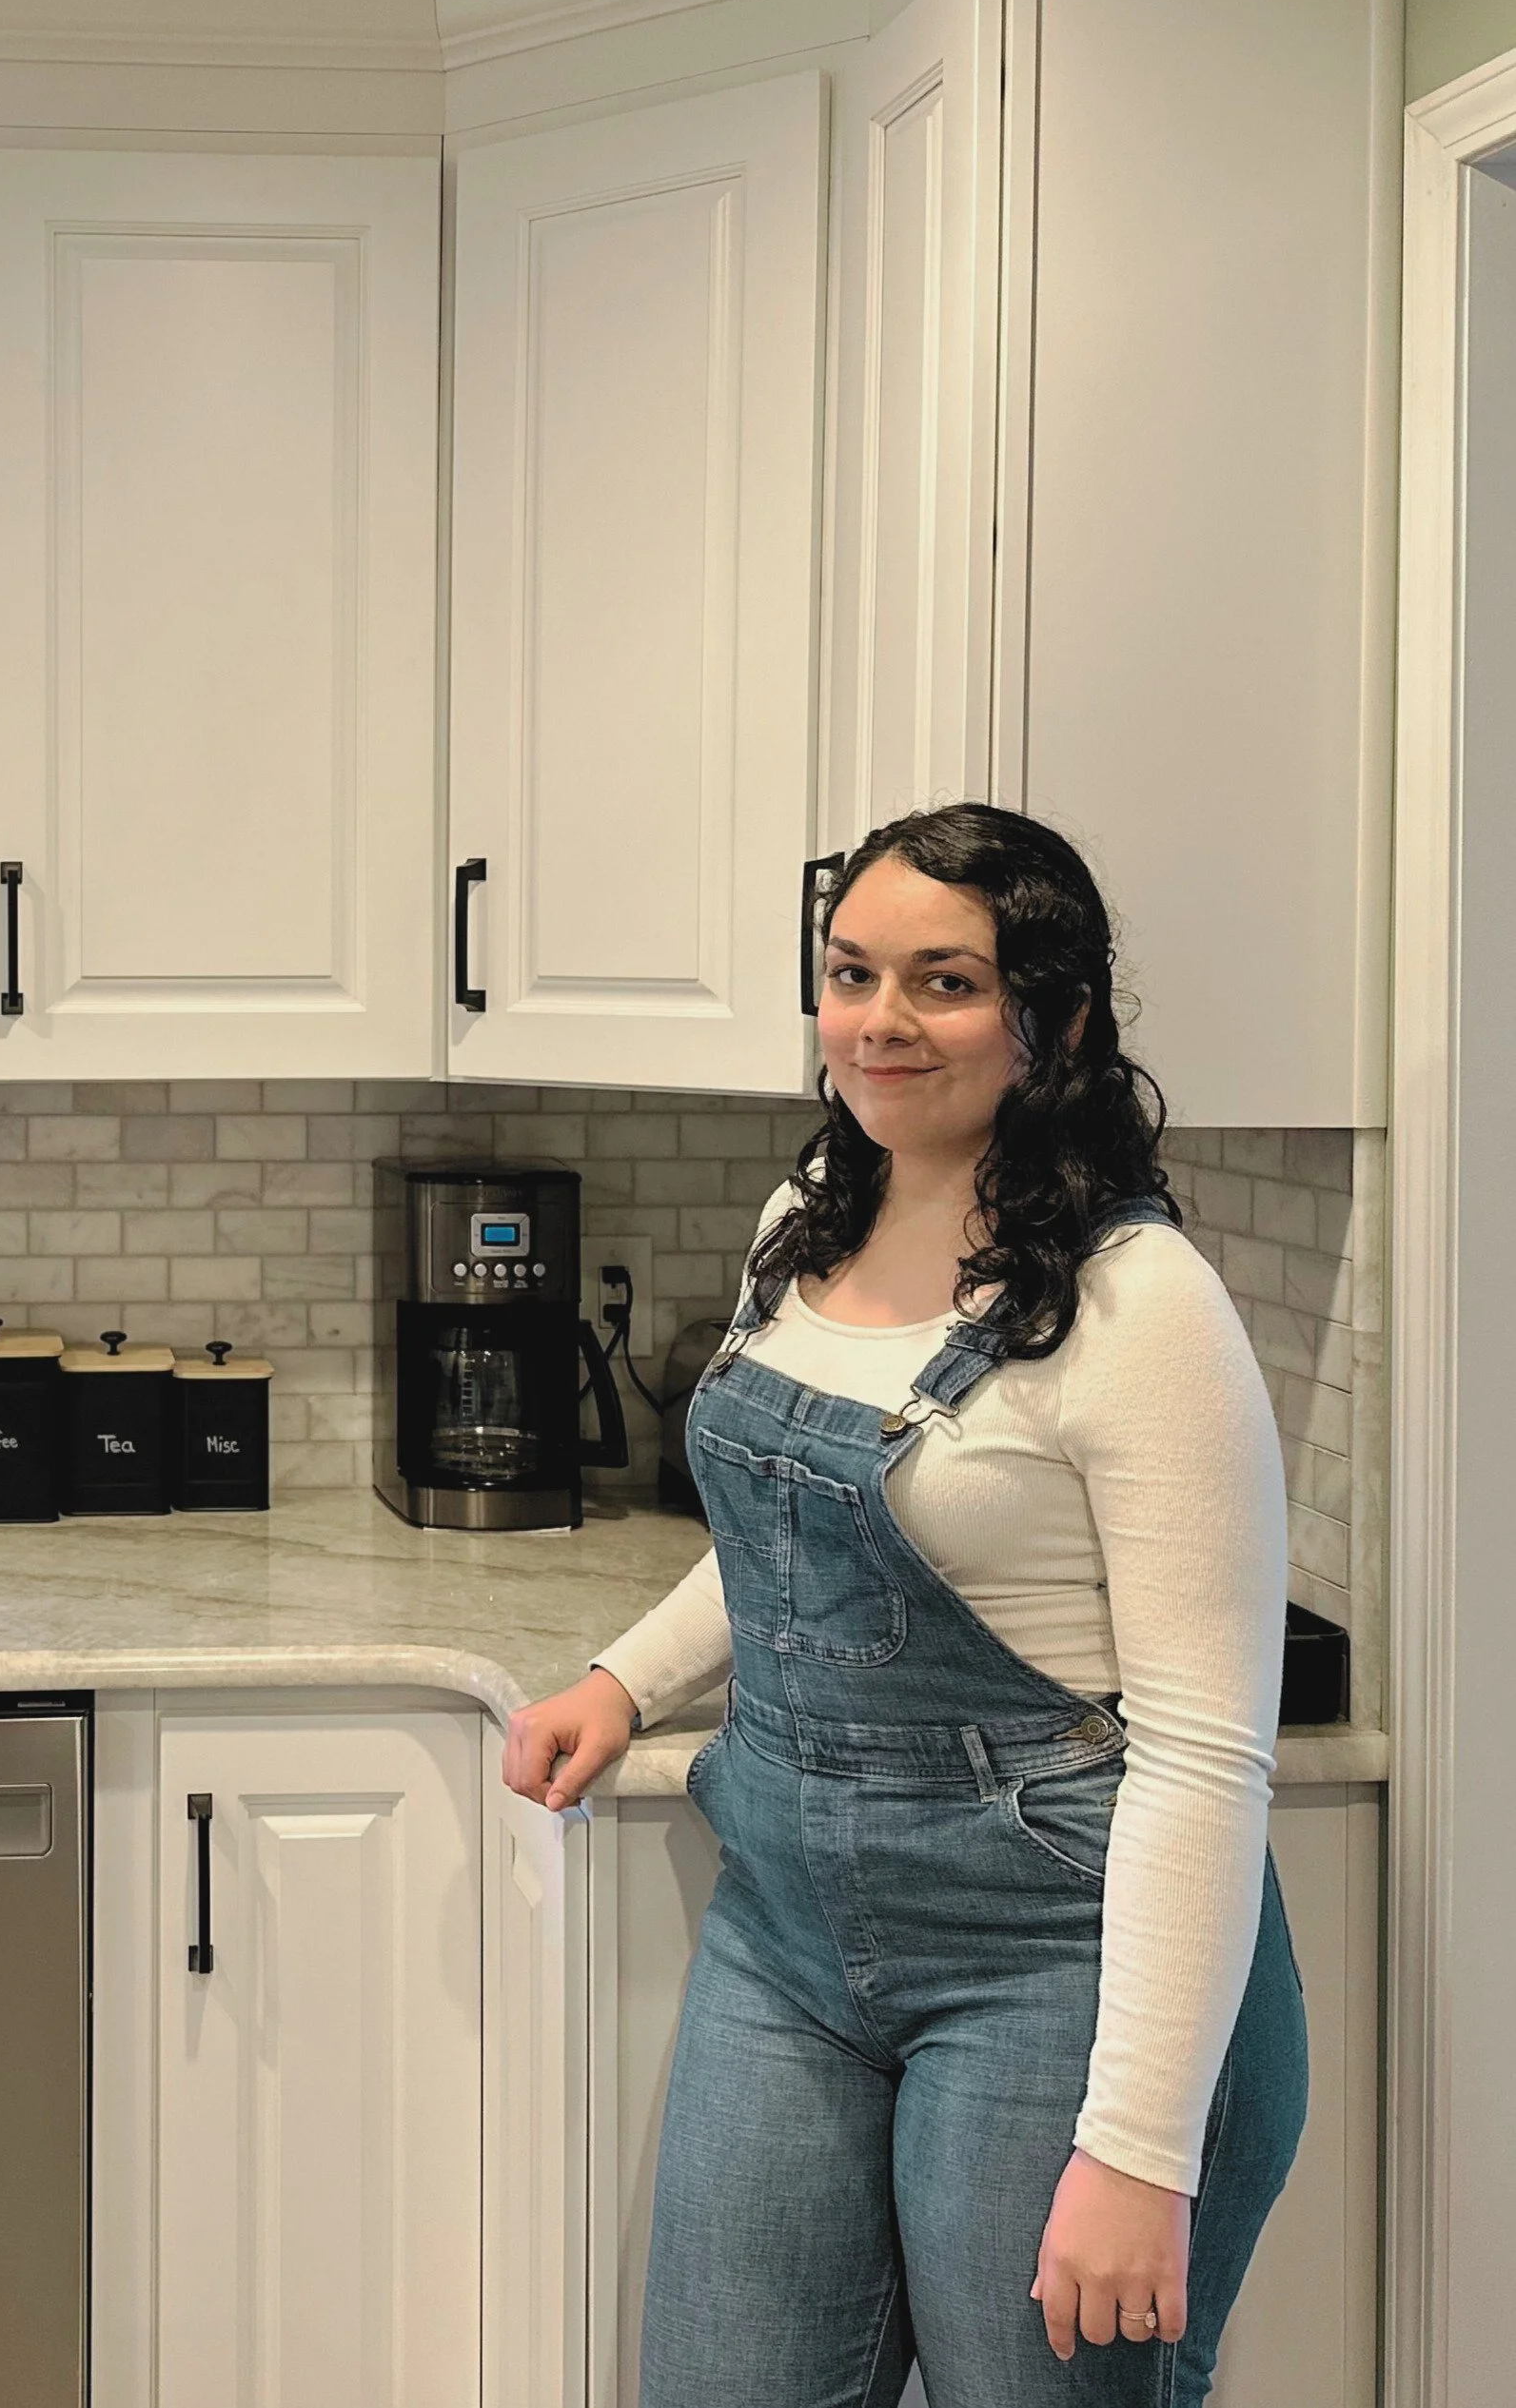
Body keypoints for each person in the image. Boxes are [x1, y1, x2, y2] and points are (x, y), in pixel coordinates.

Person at [501, 804, 1308, 2406]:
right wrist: (627, 1676)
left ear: (1054, 1020)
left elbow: (1210, 1753)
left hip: (1052, 1959)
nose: (879, 1022)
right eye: (849, 973)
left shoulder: (1137, 1304)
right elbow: (785, 1549)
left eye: (943, 982)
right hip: (787, 1935)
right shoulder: (807, 1214)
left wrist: (1140, 2149)